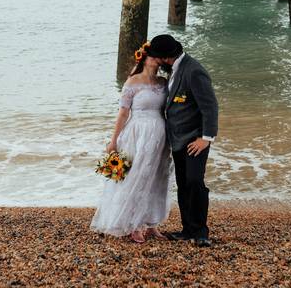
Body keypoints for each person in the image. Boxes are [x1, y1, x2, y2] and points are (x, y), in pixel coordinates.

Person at [90, 41, 171, 243]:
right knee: (137, 177)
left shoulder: (163, 83)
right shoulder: (132, 82)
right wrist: (113, 141)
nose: (157, 59)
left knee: (157, 178)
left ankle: (152, 224)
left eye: (158, 56)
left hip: (160, 134)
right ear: (144, 58)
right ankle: (133, 224)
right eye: (153, 55)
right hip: (138, 134)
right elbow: (123, 113)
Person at [145, 34, 218, 247]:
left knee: (196, 182)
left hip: (195, 140)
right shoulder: (175, 69)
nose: (155, 61)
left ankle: (201, 231)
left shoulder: (194, 70)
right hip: (177, 140)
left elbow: (210, 107)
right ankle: (187, 230)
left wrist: (206, 138)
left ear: (165, 57)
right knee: (184, 184)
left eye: (156, 57)